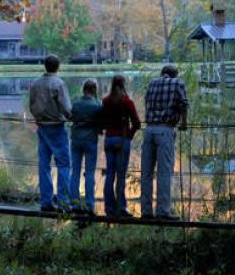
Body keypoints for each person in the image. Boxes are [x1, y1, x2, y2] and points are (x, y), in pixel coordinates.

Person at [140, 65, 188, 220]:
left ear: (162, 74)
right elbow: (184, 103)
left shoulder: (152, 83)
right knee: (164, 172)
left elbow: (146, 101)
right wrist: (184, 123)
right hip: (165, 130)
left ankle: (146, 211)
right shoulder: (177, 83)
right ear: (174, 75)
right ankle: (163, 212)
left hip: (149, 130)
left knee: (146, 173)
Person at [29, 54, 73, 213]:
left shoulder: (35, 83)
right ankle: (63, 201)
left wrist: (38, 117)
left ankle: (46, 201)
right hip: (56, 127)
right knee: (64, 164)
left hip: (42, 127)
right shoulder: (58, 84)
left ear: (45, 66)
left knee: (44, 164)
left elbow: (31, 105)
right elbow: (67, 108)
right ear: (58, 66)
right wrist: (71, 118)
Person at [100, 75, 141, 218]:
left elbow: (102, 121)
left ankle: (108, 208)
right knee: (121, 176)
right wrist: (129, 136)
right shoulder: (127, 102)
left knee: (110, 174)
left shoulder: (105, 101)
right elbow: (137, 123)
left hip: (109, 140)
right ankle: (121, 208)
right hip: (122, 140)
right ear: (124, 85)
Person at [69, 79, 101, 216]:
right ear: (94, 90)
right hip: (90, 141)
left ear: (83, 89)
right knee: (89, 173)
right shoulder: (97, 106)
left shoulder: (75, 104)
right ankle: (89, 204)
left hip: (76, 139)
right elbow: (100, 125)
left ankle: (74, 203)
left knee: (75, 171)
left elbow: (71, 118)